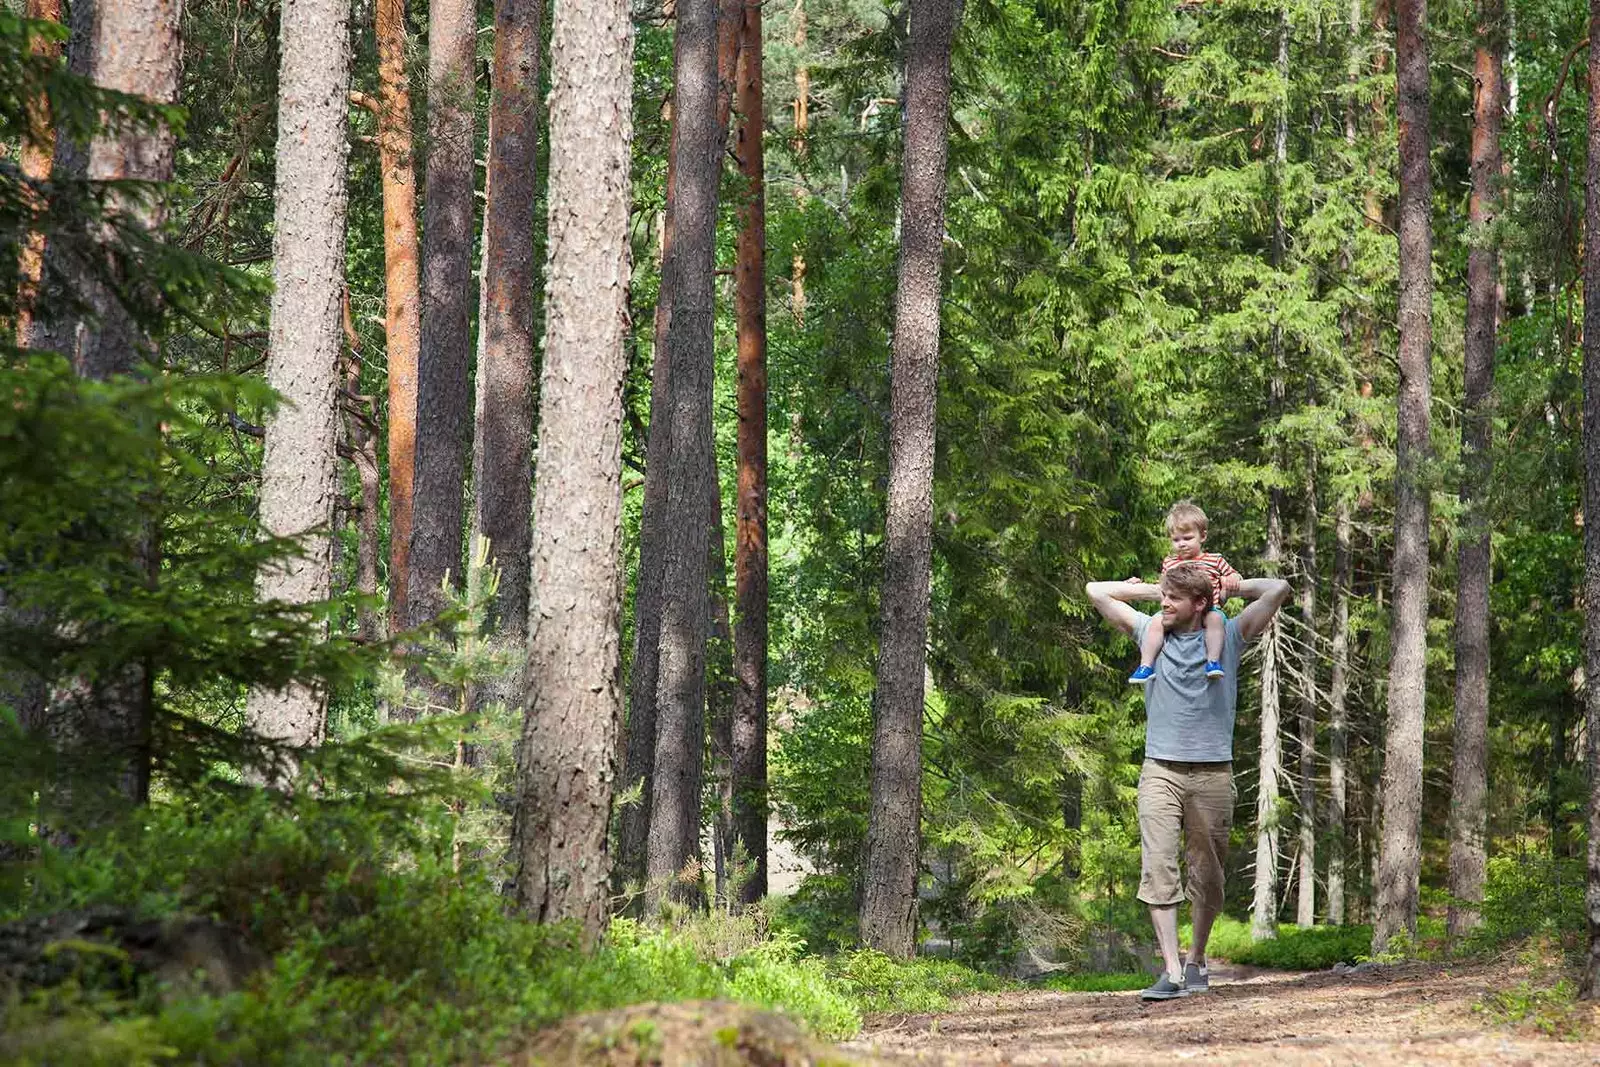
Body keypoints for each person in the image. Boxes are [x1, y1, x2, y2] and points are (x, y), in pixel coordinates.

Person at [1086, 562, 1292, 1000]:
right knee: (1158, 866)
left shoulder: (1229, 636)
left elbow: (1278, 589)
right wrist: (1153, 592)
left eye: (1174, 599)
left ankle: (1197, 960)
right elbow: (1095, 591)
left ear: (1200, 604)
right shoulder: (1149, 631)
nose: (1165, 604)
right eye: (1164, 596)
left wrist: (1231, 587)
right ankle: (1173, 969)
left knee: (1209, 876)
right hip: (1159, 770)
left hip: (1213, 772)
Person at [1127, 501, 1242, 686]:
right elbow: (1164, 586)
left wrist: (1231, 579)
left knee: (1215, 619)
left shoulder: (1215, 560)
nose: (1181, 544)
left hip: (1208, 609)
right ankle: (1146, 665)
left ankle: (1213, 661)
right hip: (1177, 613)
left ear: (1202, 536)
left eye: (1187, 538)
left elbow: (1233, 574)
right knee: (1157, 621)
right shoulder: (1170, 562)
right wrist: (1137, 584)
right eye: (1176, 540)